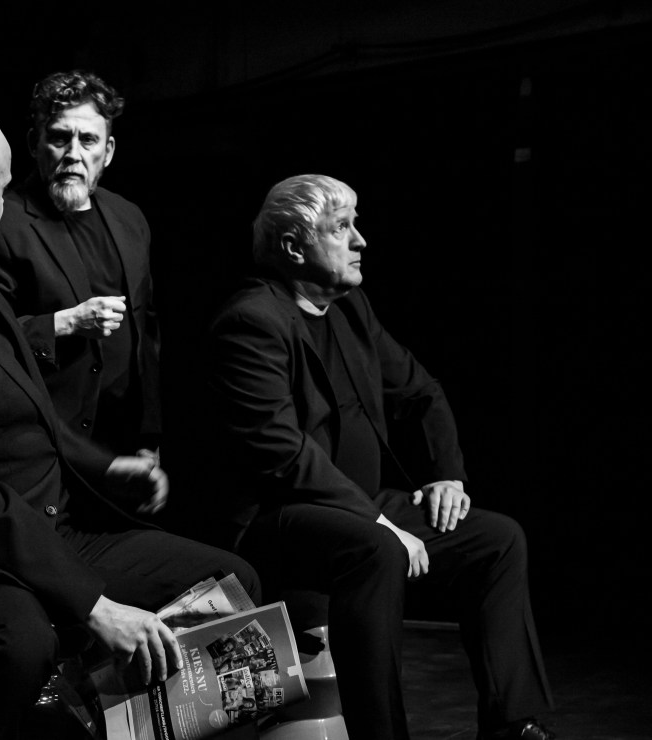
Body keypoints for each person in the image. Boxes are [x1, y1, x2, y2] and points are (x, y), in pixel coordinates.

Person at [0, 104, 260, 739]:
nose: (7, 209)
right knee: (21, 647)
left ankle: (110, 717)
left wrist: (107, 466)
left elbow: (26, 410)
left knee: (230, 582)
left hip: (43, 523)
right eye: (2, 192)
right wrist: (96, 607)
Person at [199, 174, 555, 740]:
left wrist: (447, 476)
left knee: (496, 538)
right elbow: (281, 454)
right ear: (294, 247)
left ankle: (514, 724)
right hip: (277, 520)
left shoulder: (350, 309)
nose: (360, 240)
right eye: (341, 227)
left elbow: (421, 392)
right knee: (376, 548)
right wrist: (380, 521)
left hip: (360, 508)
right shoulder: (252, 321)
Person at [0, 70, 160, 458]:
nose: (74, 154)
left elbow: (147, 332)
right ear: (35, 143)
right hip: (46, 445)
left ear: (107, 152)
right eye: (60, 138)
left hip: (123, 441)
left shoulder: (129, 217)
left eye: (88, 140)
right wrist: (67, 322)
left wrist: (149, 436)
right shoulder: (1, 223)